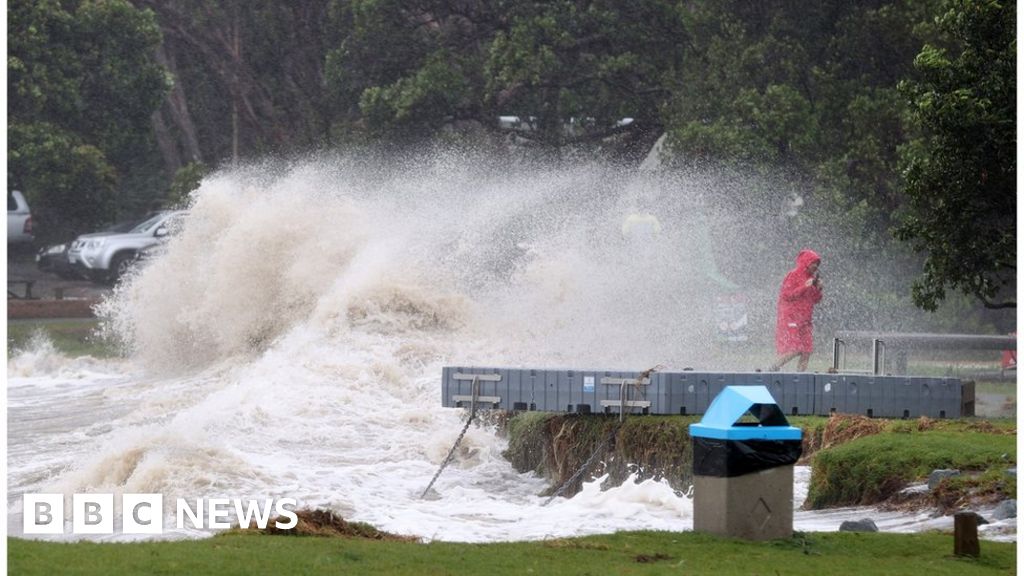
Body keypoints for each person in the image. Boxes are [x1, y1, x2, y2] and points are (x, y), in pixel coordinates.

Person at [770, 249, 823, 372]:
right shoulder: (793, 275)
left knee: (807, 351)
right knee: (795, 349)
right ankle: (772, 368)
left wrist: (819, 289)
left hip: (805, 320)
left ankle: (800, 378)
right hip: (791, 318)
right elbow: (786, 295)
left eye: (817, 264)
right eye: (813, 262)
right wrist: (805, 286)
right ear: (806, 262)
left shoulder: (811, 279)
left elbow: (815, 300)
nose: (815, 266)